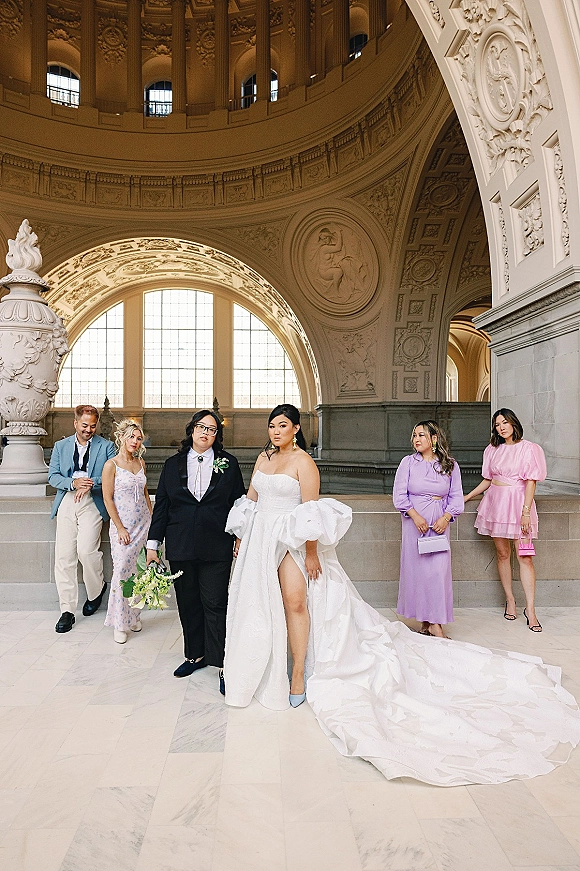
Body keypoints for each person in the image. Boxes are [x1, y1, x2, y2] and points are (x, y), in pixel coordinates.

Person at [223, 403, 580, 786]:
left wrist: (311, 552)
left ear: (295, 429)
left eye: (282, 426)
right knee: (260, 604)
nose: (275, 431)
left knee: (295, 602)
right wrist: (242, 536)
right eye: (271, 426)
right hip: (260, 538)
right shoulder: (263, 457)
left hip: (292, 540)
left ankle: (297, 675)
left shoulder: (304, 463)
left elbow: (311, 512)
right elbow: (251, 500)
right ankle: (261, 663)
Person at [146, 410, 245, 690]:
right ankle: (195, 655)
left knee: (215, 603)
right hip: (180, 545)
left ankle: (224, 664)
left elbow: (239, 503)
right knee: (188, 603)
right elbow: (162, 506)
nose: (206, 433)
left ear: (217, 435)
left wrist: (239, 536)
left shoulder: (229, 463)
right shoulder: (172, 464)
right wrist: (153, 544)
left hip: (217, 545)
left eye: (212, 430)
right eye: (201, 427)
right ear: (191, 429)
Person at [464, 408, 547, 631]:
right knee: (502, 553)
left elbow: (531, 481)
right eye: (497, 424)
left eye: (504, 422)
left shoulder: (529, 449)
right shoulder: (492, 449)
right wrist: (469, 496)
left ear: (513, 423)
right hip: (496, 503)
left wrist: (526, 512)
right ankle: (510, 600)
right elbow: (488, 480)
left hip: (519, 504)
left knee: (525, 556)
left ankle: (530, 609)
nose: (500, 427)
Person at [48, 404, 116, 633]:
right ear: (75, 423)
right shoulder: (60, 446)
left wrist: (89, 483)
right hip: (67, 499)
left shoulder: (106, 446)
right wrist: (72, 483)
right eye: (85, 425)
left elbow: (114, 473)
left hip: (93, 501)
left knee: (87, 551)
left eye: (93, 425)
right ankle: (67, 610)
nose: (89, 429)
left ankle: (96, 592)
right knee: (64, 556)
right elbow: (53, 476)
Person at [393, 421, 463, 638]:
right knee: (418, 572)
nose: (416, 439)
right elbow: (399, 495)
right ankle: (426, 622)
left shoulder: (450, 465)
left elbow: (456, 496)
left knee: (437, 573)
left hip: (440, 524)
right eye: (414, 435)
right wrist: (414, 516)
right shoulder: (408, 463)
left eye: (421, 435)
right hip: (414, 524)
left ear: (434, 438)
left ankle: (435, 623)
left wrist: (446, 517)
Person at [103, 420, 152, 644]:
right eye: (131, 436)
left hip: (143, 524)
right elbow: (107, 498)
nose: (135, 441)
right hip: (123, 527)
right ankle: (119, 622)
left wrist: (153, 523)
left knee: (139, 571)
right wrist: (120, 527)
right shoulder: (111, 465)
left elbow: (145, 493)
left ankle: (134, 615)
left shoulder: (140, 462)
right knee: (122, 571)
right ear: (121, 437)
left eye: (139, 438)